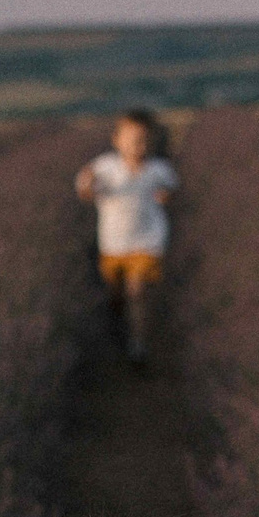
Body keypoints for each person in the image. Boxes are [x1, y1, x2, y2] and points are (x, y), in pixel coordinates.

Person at [73, 109, 179, 365]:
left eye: (143, 140)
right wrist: (88, 183)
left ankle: (137, 345)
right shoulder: (105, 167)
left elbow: (171, 189)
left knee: (137, 291)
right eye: (132, 139)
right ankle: (119, 324)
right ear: (117, 140)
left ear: (152, 142)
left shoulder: (158, 170)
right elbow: (86, 192)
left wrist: (166, 196)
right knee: (116, 294)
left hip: (147, 242)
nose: (137, 145)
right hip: (113, 245)